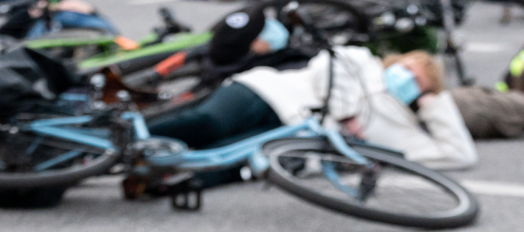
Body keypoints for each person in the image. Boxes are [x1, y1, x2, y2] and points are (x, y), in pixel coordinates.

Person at [143, 39, 477, 172]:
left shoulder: (400, 126)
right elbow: (325, 65)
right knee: (210, 123)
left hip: (286, 133)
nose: (405, 78)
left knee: (217, 162)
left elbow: (459, 154)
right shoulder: (364, 63)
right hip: (267, 93)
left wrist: (437, 104)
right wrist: (346, 113)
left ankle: (147, 175)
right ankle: (127, 136)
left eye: (417, 81)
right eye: (406, 68)